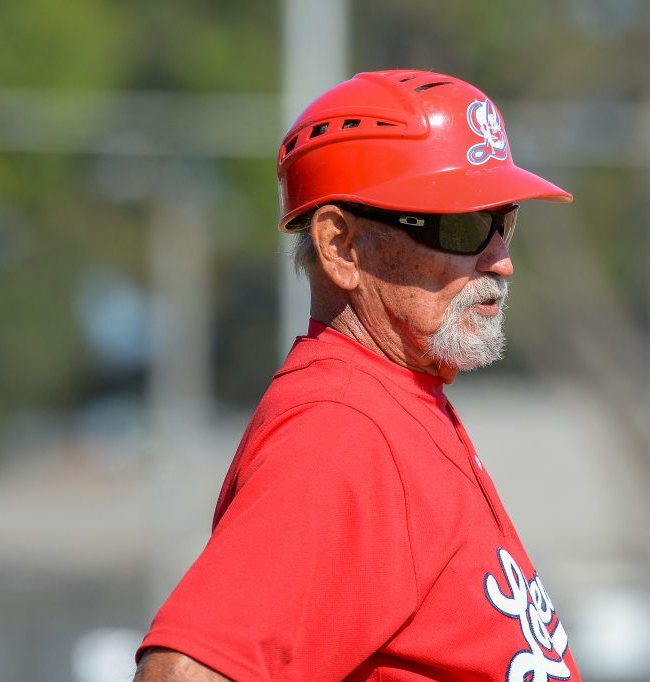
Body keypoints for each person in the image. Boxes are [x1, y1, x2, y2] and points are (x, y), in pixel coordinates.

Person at [134, 69, 580, 681]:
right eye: (463, 224)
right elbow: (184, 672)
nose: (499, 258)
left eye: (503, 220)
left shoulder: (399, 401)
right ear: (341, 246)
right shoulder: (343, 427)